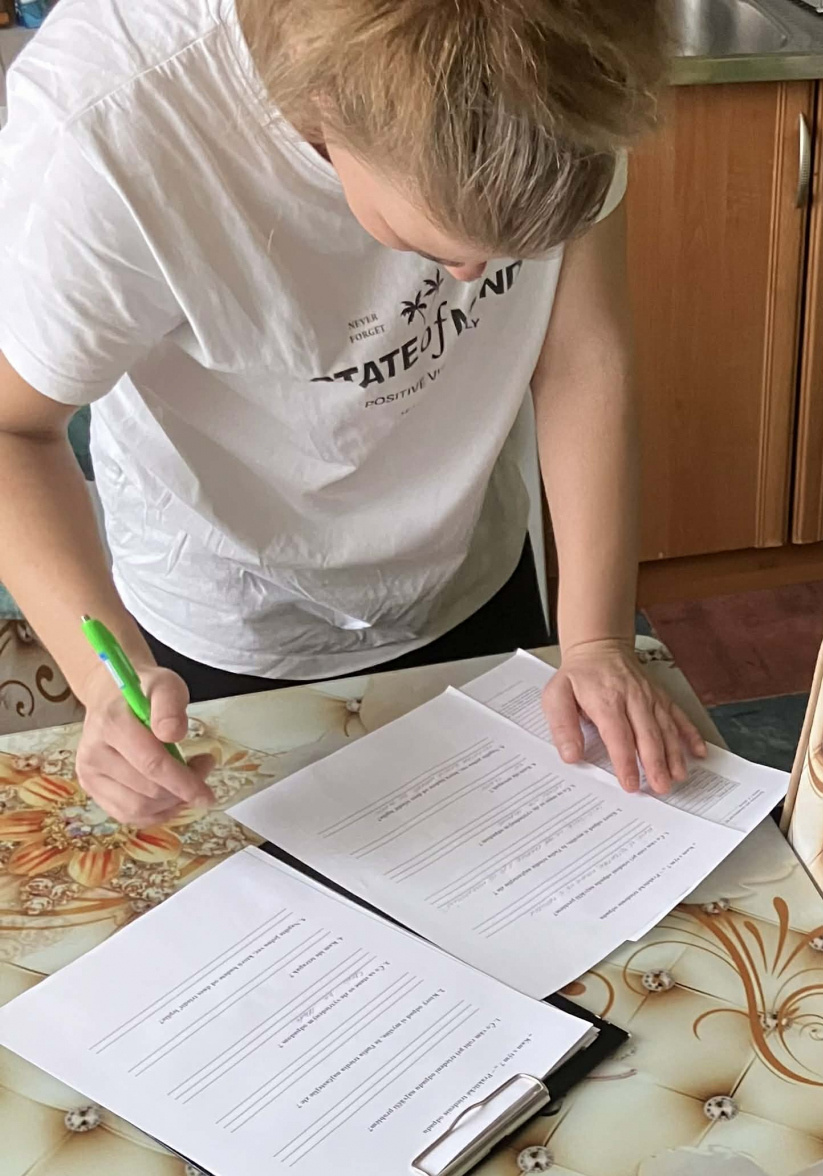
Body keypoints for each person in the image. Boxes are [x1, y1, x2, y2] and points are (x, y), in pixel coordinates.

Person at [0, 0, 705, 829]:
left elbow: (581, 354)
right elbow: (13, 429)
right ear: (322, 103)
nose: (476, 280)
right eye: (435, 248)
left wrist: (596, 642)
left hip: (469, 568)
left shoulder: (579, 53)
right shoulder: (106, 134)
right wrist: (102, 682)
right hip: (225, 614)